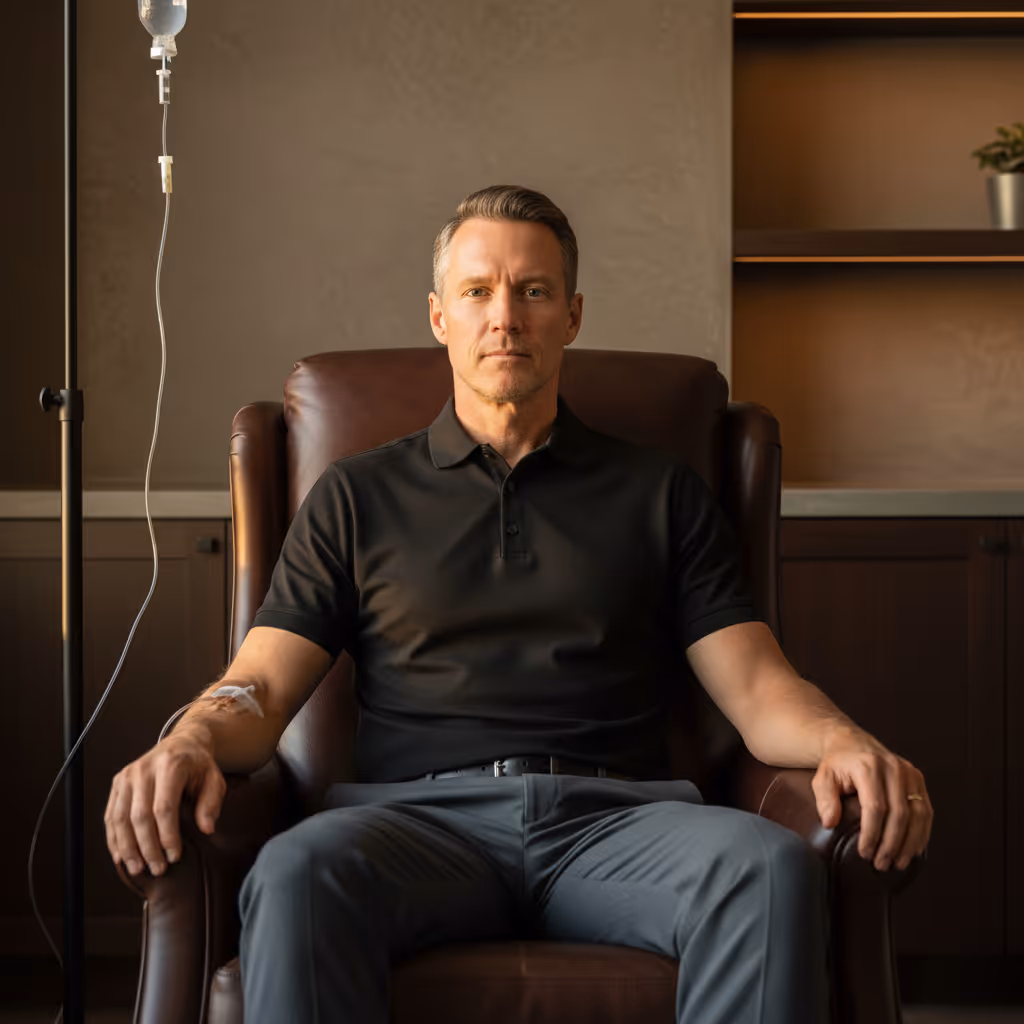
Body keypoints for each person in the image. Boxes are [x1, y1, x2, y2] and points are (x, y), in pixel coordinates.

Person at [104, 185, 934, 1023]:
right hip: (413, 826)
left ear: (571, 315)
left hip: (618, 826)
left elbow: (757, 690)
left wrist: (844, 740)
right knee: (295, 872)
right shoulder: (355, 496)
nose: (506, 316)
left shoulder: (660, 493)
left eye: (533, 291)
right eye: (478, 291)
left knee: (768, 868)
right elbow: (264, 687)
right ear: (440, 316)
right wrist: (194, 738)